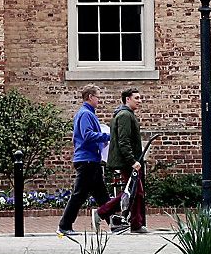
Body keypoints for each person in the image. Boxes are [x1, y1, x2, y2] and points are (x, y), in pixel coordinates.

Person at [57, 85, 111, 236]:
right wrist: (107, 136)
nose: (99, 100)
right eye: (97, 96)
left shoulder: (88, 113)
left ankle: (114, 223)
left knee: (102, 195)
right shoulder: (85, 114)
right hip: (87, 160)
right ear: (90, 97)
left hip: (91, 160)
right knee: (79, 194)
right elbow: (87, 135)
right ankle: (64, 226)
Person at [97, 88, 149, 234]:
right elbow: (123, 141)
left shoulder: (126, 114)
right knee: (134, 192)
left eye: (140, 98)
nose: (140, 101)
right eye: (136, 98)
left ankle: (135, 224)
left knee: (134, 192)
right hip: (127, 162)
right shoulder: (125, 115)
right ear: (127, 99)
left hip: (127, 161)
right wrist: (132, 161)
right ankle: (103, 212)